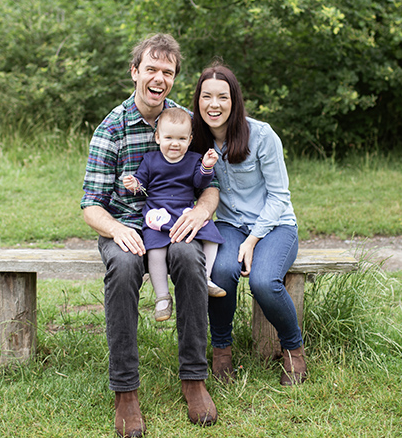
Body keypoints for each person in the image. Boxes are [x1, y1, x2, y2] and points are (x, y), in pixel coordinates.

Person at [81, 34, 218, 437]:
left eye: (168, 72)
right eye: (152, 69)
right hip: (125, 228)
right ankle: (126, 391)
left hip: (174, 223)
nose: (159, 78)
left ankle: (194, 378)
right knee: (123, 268)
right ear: (135, 72)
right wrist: (118, 229)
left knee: (190, 259)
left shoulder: (183, 121)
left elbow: (209, 183)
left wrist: (199, 211)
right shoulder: (112, 128)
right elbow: (90, 203)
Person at [189, 63, 306, 386]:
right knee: (221, 272)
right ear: (198, 100)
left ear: (234, 100)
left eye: (223, 97)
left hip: (275, 225)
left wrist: (252, 239)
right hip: (228, 224)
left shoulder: (262, 135)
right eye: (207, 96)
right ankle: (222, 349)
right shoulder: (196, 140)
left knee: (264, 282)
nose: (215, 105)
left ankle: (293, 349)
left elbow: (280, 195)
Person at [123, 107, 226, 322]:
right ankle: (162, 297)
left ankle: (205, 277)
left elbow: (200, 183)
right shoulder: (151, 160)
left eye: (181, 138)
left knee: (211, 235)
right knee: (155, 251)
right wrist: (134, 184)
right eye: (169, 137)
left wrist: (206, 167)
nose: (175, 143)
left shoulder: (193, 159)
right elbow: (142, 184)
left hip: (185, 211)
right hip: (158, 213)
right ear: (158, 137)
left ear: (190, 140)